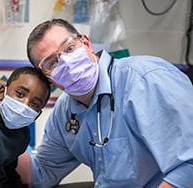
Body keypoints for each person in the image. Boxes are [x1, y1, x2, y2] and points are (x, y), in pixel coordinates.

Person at [16, 18, 193, 188]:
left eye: (69, 48)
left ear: (86, 43)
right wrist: (5, 132)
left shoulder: (146, 79)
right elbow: (39, 175)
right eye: (52, 63)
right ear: (48, 78)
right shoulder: (64, 112)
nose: (67, 63)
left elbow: (189, 164)